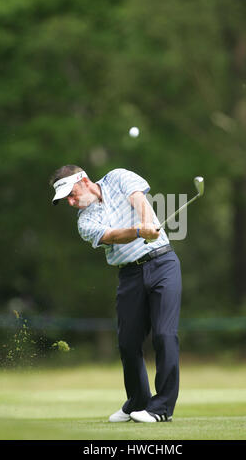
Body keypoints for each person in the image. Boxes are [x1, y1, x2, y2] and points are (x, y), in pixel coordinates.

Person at [49, 165, 182, 423]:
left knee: (164, 334)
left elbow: (138, 199)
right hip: (129, 275)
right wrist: (138, 232)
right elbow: (111, 235)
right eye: (67, 198)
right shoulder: (85, 221)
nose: (71, 201)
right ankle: (138, 402)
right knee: (128, 343)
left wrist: (146, 223)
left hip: (163, 264)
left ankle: (161, 408)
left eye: (72, 194)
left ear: (84, 181)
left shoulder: (118, 177)